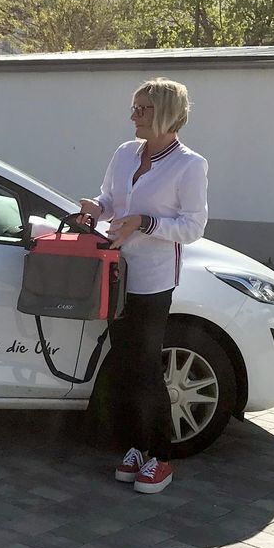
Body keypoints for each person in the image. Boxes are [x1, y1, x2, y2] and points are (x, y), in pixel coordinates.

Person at [78, 77, 208, 494]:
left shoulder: (189, 165)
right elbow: (110, 202)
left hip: (152, 280)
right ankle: (136, 447)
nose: (133, 115)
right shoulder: (124, 153)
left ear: (166, 113)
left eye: (142, 108)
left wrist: (145, 223)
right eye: (134, 107)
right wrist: (94, 208)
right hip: (114, 272)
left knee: (147, 367)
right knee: (124, 364)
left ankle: (161, 457)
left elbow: (192, 227)